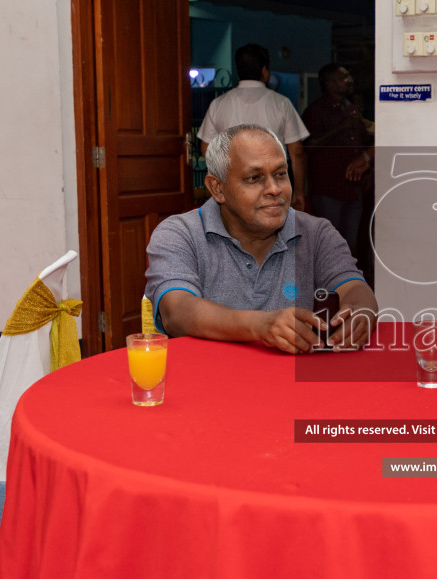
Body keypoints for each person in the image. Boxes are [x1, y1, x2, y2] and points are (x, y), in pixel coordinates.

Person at [146, 124, 377, 353]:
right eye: (254, 178)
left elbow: (354, 288)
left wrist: (359, 314)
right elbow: (177, 312)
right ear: (217, 188)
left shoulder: (316, 233)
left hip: (290, 383)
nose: (274, 189)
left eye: (280, 174)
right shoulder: (180, 234)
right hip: (207, 379)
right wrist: (261, 326)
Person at [198, 43, 309, 211]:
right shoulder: (281, 103)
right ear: (264, 71)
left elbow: (206, 148)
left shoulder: (218, 104)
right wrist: (299, 192)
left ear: (238, 70)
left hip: (233, 185)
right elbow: (297, 152)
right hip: (272, 186)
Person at [301, 62, 373, 259]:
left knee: (350, 246)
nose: (349, 81)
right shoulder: (315, 111)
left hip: (353, 189)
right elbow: (308, 146)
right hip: (328, 190)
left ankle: (348, 286)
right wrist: (340, 127)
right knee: (328, 245)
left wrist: (368, 170)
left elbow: (365, 143)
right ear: (329, 83)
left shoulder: (350, 108)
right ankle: (327, 288)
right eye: (343, 78)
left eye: (348, 77)